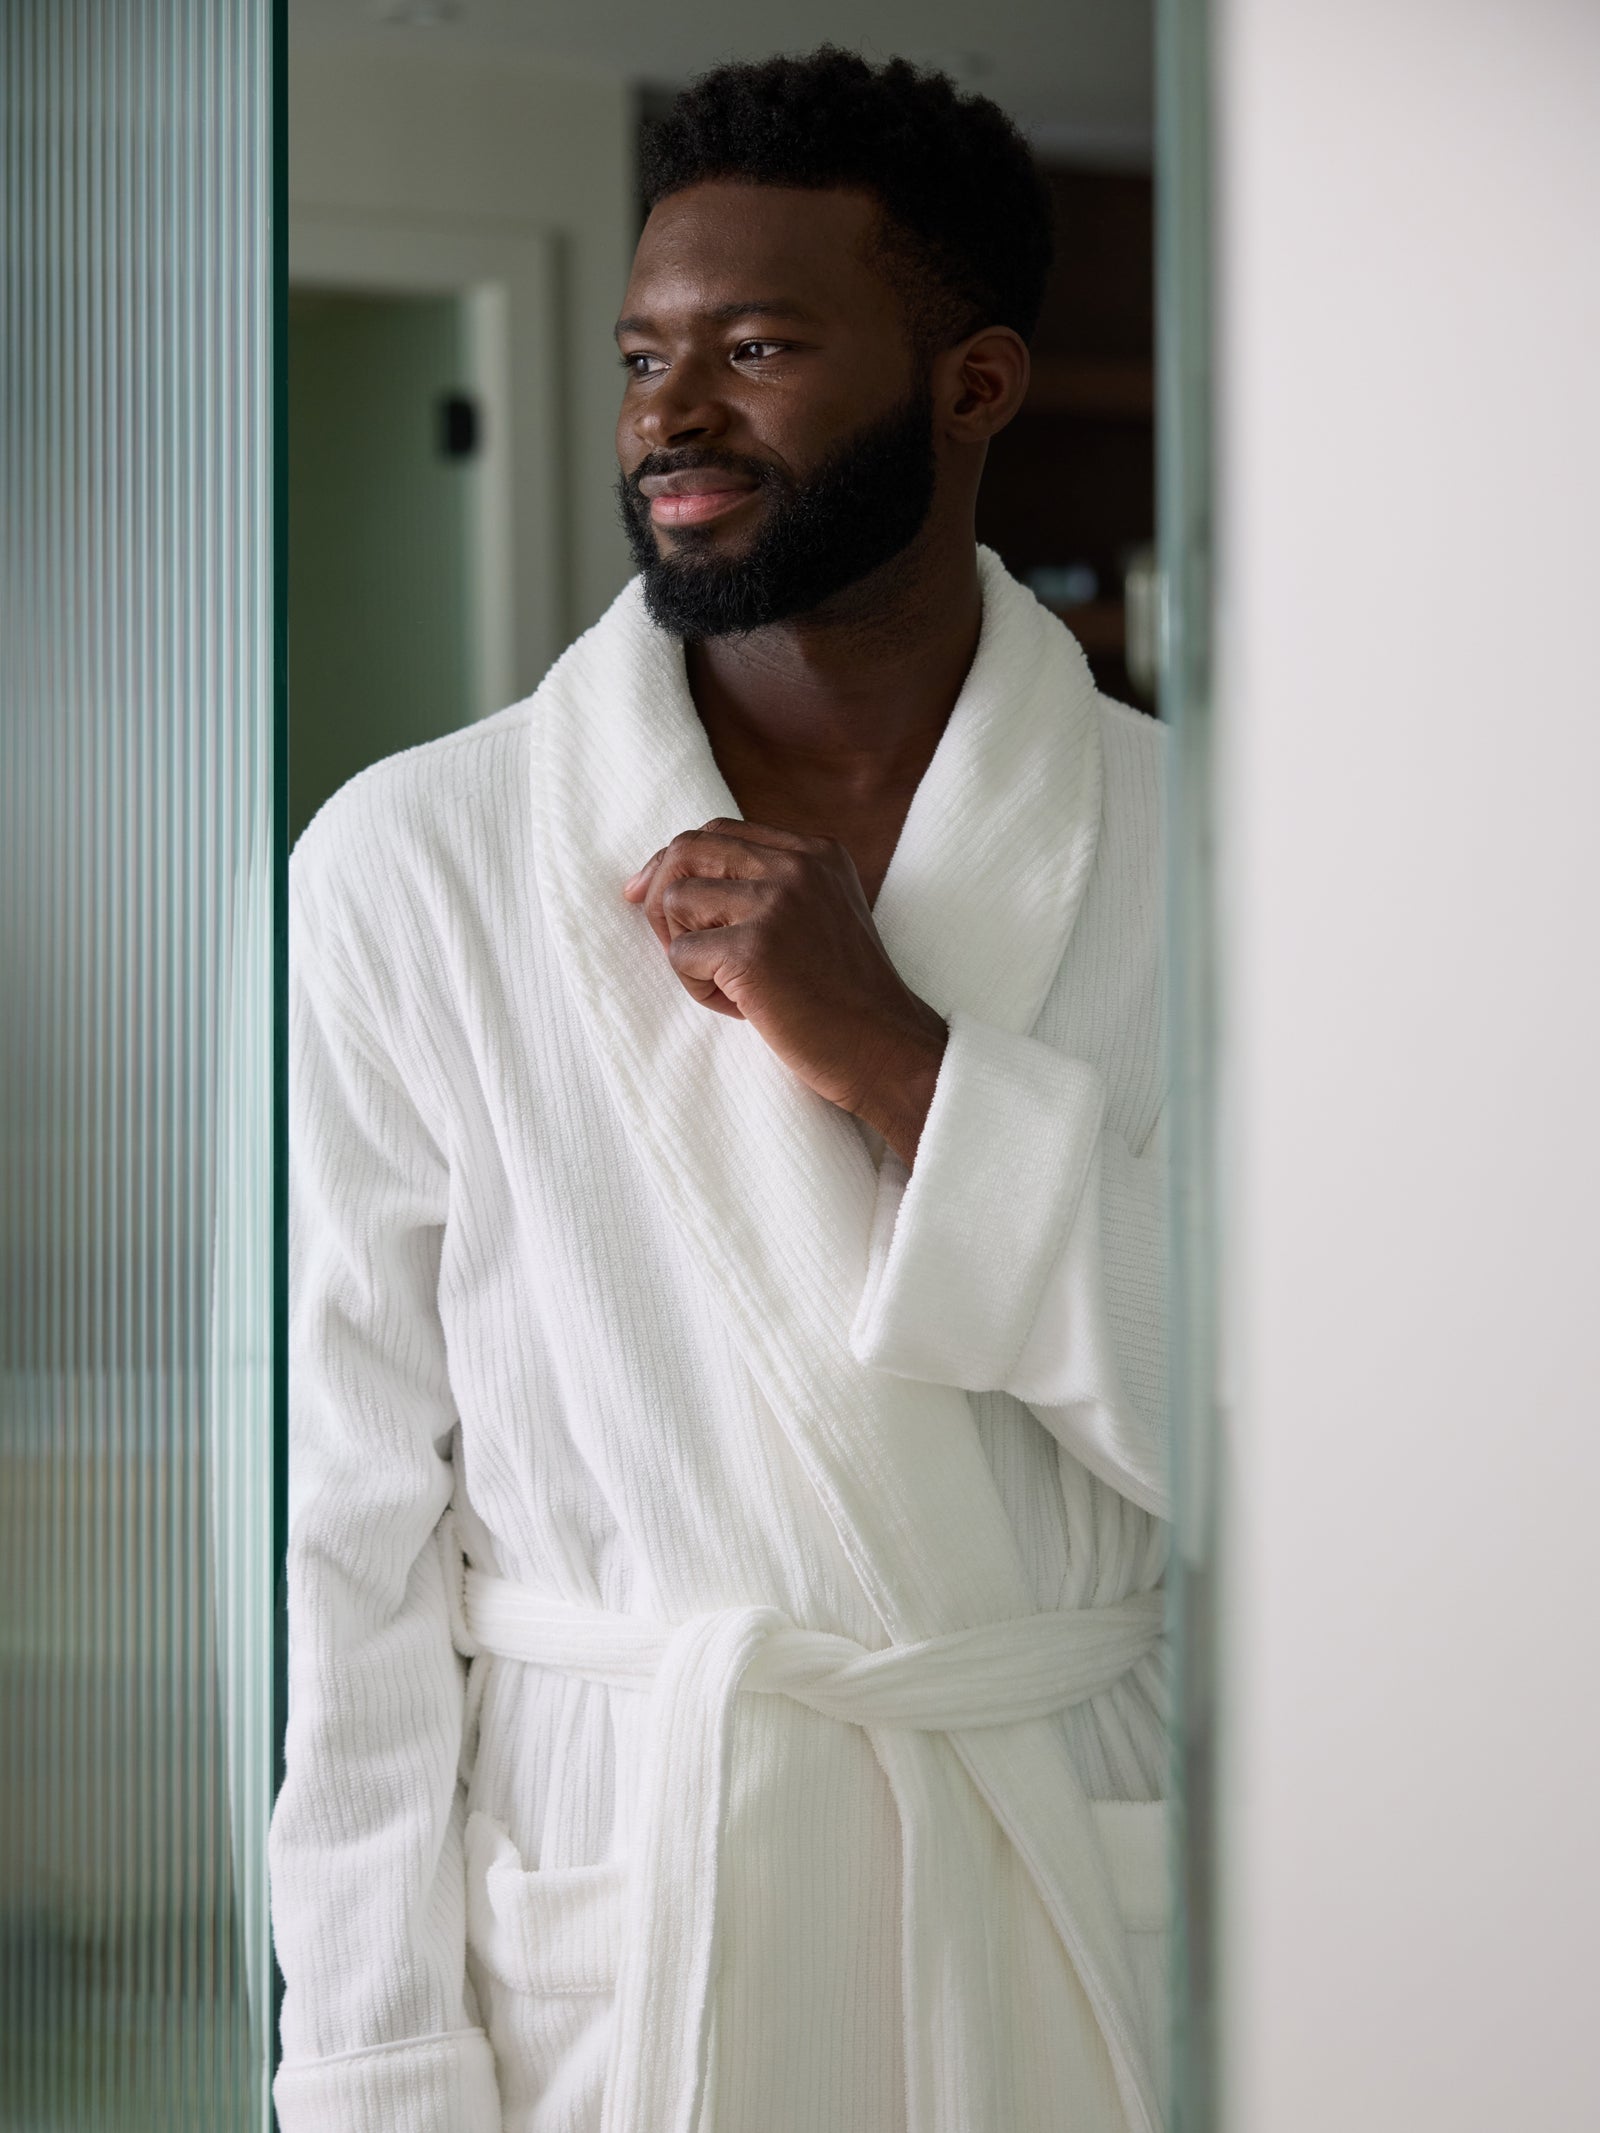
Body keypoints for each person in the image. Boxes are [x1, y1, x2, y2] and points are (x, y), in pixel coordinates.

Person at [269, 47, 1170, 2133]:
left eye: (755, 348)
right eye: (640, 354)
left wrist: (903, 1064)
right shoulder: (418, 858)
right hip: (627, 1881)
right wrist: (377, 2057)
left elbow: (1309, 1460)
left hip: (1059, 1854)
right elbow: (355, 1532)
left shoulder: (1209, 839)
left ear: (973, 383)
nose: (667, 415)